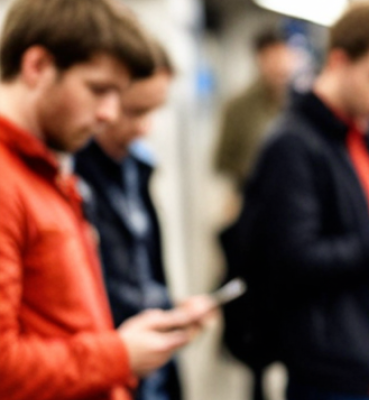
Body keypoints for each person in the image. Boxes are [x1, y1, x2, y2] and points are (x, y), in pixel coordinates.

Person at [231, 2, 369, 399]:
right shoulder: (293, 145)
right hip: (333, 371)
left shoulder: (363, 136)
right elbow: (294, 262)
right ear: (339, 61)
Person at [0, 1, 214, 399]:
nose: (108, 114)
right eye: (98, 90)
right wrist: (118, 354)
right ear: (37, 66)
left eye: (118, 95)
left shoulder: (47, 171)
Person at [73, 39, 183, 400]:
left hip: (147, 370)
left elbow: (142, 270)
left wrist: (172, 312)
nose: (145, 128)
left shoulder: (138, 167)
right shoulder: (71, 175)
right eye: (135, 112)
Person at [213, 26, 299, 191]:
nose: (280, 65)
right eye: (272, 58)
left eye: (283, 56)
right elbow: (223, 162)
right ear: (259, 59)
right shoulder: (238, 108)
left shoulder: (301, 103)